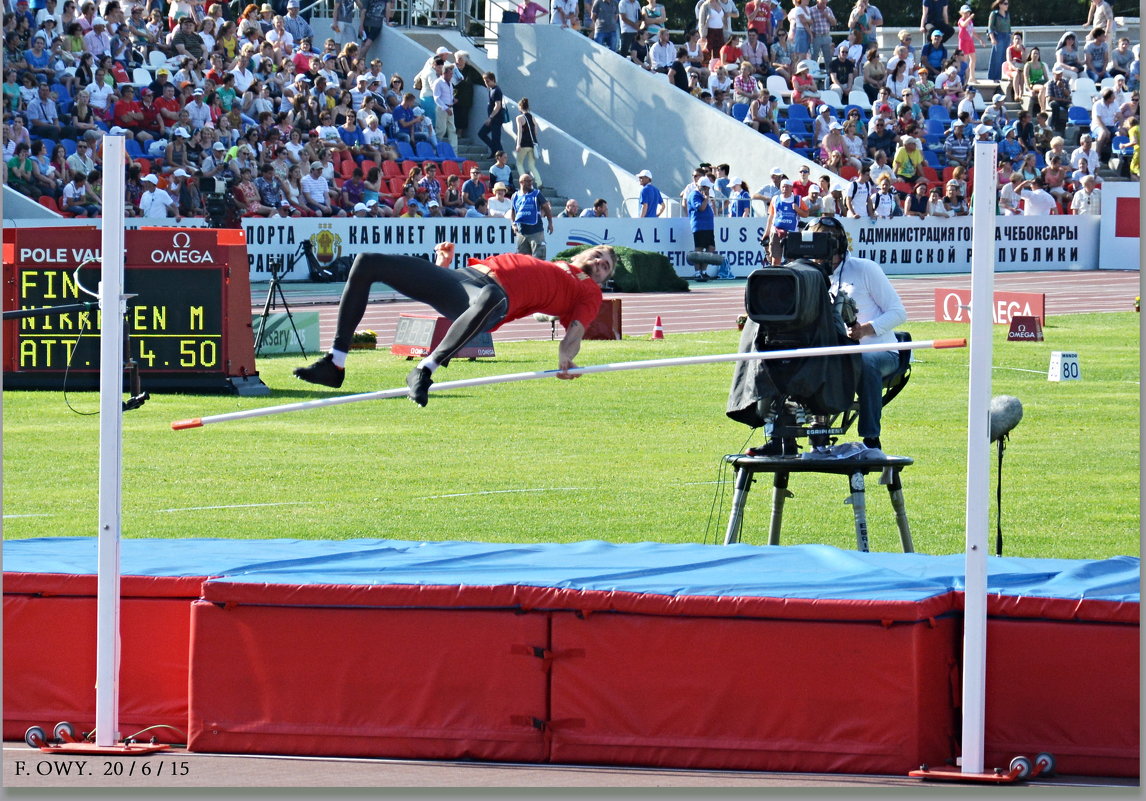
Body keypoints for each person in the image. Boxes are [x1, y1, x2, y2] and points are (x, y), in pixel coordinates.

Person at [294, 244, 617, 406]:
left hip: (492, 302)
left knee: (490, 293)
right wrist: (442, 266)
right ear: (584, 252)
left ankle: (425, 370)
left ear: (603, 278)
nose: (600, 263)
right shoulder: (554, 264)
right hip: (462, 279)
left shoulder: (588, 291)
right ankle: (335, 363)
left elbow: (575, 331)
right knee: (367, 262)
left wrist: (565, 356)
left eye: (606, 267)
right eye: (599, 255)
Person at [817, 216, 906, 450]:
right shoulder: (811, 274)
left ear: (841, 243)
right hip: (836, 352)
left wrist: (864, 330)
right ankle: (796, 435)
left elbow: (898, 312)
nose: (824, 246)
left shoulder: (865, 268)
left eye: (829, 239)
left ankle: (871, 439)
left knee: (864, 361)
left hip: (881, 350)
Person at [509, 173, 553, 258]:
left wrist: (550, 223)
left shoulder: (537, 194)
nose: (531, 183)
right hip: (522, 233)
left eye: (531, 181)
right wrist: (513, 224)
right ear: (521, 182)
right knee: (523, 259)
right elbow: (513, 211)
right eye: (528, 181)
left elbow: (546, 207)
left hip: (536, 231)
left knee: (539, 258)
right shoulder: (515, 196)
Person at [686, 176, 717, 275]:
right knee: (699, 248)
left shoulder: (703, 196)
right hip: (699, 226)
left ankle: (703, 270)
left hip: (708, 226)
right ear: (703, 187)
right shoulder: (694, 195)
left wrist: (706, 198)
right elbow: (701, 208)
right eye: (707, 187)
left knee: (711, 247)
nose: (709, 190)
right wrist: (705, 198)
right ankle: (697, 272)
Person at [514, 97, 542, 188]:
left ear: (520, 107)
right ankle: (539, 182)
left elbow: (519, 132)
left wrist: (518, 144)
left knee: (519, 163)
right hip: (533, 144)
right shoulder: (532, 117)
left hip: (524, 143)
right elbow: (536, 131)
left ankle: (524, 182)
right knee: (531, 165)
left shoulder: (519, 118)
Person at [478, 72, 505, 159]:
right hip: (492, 119)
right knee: (482, 134)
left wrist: (490, 118)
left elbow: (498, 106)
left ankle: (502, 158)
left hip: (496, 119)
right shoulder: (491, 90)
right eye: (485, 81)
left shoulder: (497, 90)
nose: (486, 83)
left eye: (488, 81)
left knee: (496, 140)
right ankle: (494, 151)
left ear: (493, 79)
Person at [985, 0, 1010, 81]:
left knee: (1004, 58)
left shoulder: (1007, 14)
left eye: (1007, 3)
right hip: (998, 36)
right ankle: (993, 77)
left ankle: (1002, 76)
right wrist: (992, 38)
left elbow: (1009, 27)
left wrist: (1011, 38)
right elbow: (990, 27)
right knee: (996, 58)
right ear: (1000, 5)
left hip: (1006, 36)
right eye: (1005, 4)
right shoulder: (994, 14)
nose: (1007, 5)